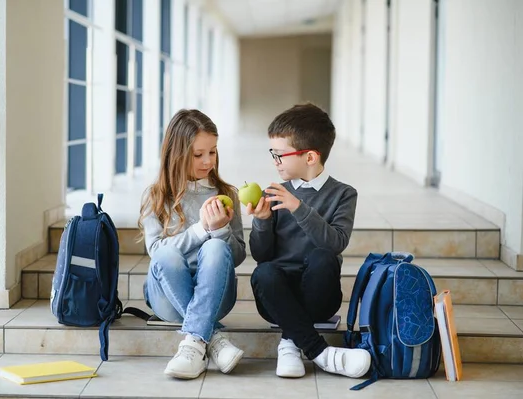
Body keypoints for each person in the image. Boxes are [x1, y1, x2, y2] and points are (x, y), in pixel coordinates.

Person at [247, 103, 371, 379]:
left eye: (279, 155)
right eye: (273, 154)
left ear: (310, 157)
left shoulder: (343, 194)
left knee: (322, 256)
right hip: (277, 297)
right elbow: (260, 253)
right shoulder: (274, 192)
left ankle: (290, 341)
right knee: (263, 272)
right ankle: (321, 353)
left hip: (320, 296)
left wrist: (297, 207)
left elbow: (336, 243)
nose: (274, 161)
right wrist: (262, 221)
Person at [138, 109, 246, 379]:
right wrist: (201, 229)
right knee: (166, 255)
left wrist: (220, 231)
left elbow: (239, 256)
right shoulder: (156, 197)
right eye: (198, 154)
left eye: (213, 151)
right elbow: (157, 254)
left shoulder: (226, 194)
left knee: (216, 247)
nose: (208, 161)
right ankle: (213, 337)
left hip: (216, 294)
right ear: (177, 153)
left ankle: (196, 340)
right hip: (167, 297)